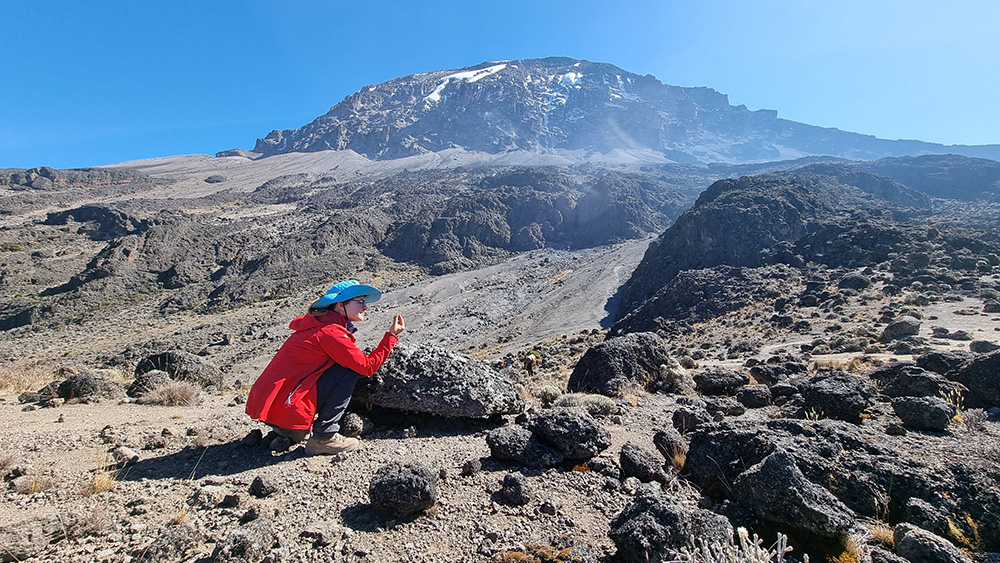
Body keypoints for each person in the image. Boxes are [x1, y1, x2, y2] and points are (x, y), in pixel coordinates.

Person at [245, 280, 405, 455]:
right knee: (347, 372)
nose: (365, 307)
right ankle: (324, 437)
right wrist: (391, 336)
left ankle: (287, 431)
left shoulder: (317, 325)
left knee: (340, 366)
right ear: (340, 304)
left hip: (272, 404)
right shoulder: (329, 332)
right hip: (284, 405)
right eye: (360, 301)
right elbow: (367, 367)